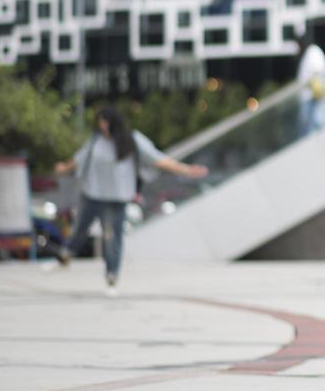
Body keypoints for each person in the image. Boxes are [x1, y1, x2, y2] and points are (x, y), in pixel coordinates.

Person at [47, 106, 207, 295]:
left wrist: (186, 170)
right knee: (79, 229)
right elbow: (78, 160)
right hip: (92, 194)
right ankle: (64, 257)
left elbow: (158, 160)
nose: (102, 125)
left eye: (105, 121)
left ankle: (112, 277)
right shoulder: (96, 141)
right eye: (100, 121)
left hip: (117, 198)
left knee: (112, 237)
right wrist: (63, 169)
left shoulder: (132, 140)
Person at [296, 36, 325, 136]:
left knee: (321, 132)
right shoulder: (310, 53)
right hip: (315, 101)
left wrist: (316, 88)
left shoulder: (313, 52)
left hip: (318, 100)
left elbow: (320, 72)